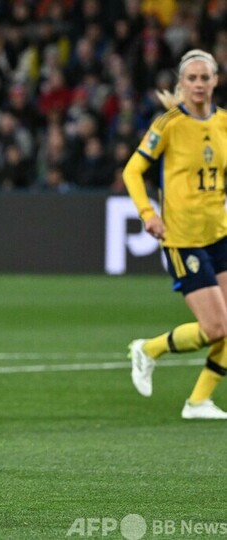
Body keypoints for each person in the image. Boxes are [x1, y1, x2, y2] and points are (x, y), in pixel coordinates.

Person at [124, 49, 227, 420]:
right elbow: (132, 171)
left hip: (220, 234)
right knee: (216, 327)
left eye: (205, 78)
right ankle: (148, 349)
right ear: (182, 83)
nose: (199, 84)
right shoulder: (168, 124)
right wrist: (148, 213)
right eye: (192, 78)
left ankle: (198, 402)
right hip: (183, 239)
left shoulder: (224, 123)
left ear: (215, 81)